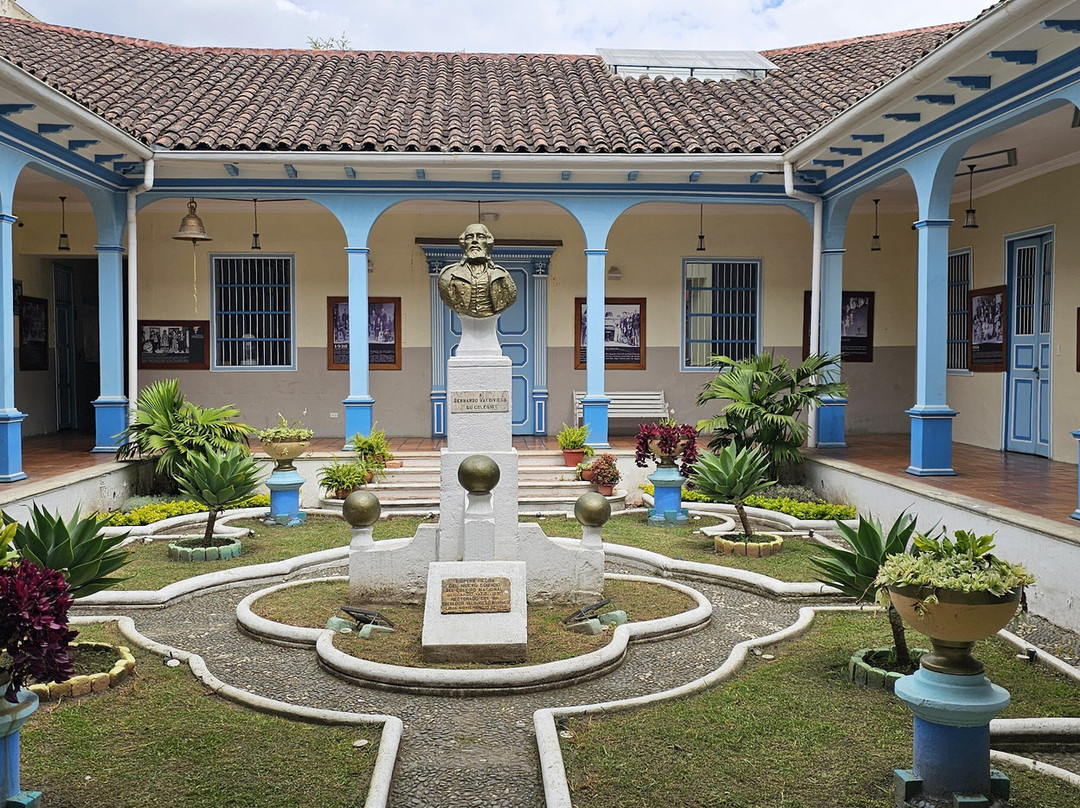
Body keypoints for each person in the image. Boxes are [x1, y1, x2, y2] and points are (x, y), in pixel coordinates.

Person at [437, 223, 517, 318]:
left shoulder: (501, 274)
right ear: (464, 243)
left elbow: (510, 297)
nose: (474, 241)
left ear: (488, 242)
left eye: (481, 237)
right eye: (469, 237)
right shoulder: (448, 274)